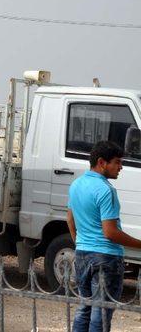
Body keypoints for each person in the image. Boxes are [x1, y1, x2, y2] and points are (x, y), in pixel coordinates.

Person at [67, 141, 141, 332]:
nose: (121, 167)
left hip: (83, 254)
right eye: (117, 162)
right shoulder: (106, 190)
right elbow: (110, 232)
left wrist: (80, 243)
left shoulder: (76, 184)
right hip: (106, 258)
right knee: (101, 313)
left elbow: (70, 218)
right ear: (101, 162)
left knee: (85, 308)